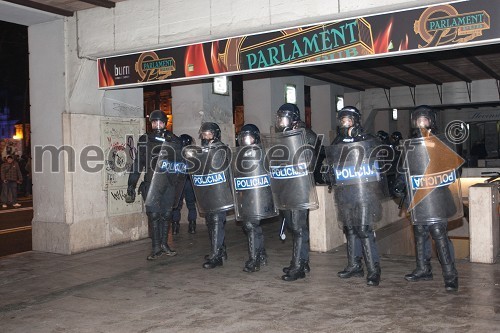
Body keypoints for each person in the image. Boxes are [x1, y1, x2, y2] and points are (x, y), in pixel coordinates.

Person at [393, 105, 459, 292]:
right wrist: (399, 184)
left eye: (425, 120)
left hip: (437, 195)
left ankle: (450, 275)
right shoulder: (410, 144)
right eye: (418, 120)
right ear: (414, 122)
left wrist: (443, 175)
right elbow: (403, 168)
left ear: (431, 121)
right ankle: (423, 269)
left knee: (439, 233)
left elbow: (455, 167)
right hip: (417, 196)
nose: (422, 123)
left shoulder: (442, 141)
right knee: (420, 232)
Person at [327, 106, 383, 286]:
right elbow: (332, 161)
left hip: (364, 192)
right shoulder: (337, 141)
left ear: (356, 121)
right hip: (345, 192)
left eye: (348, 119)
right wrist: (328, 171)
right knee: (350, 229)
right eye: (342, 120)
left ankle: (374, 270)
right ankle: (354, 265)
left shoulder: (368, 139)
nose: (345, 123)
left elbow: (379, 158)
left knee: (364, 230)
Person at [125, 110, 178, 260]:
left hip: (168, 182)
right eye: (154, 122)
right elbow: (138, 163)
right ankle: (155, 247)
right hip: (151, 181)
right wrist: (131, 184)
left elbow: (180, 162)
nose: (157, 125)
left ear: (165, 123)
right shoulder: (145, 139)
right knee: (153, 214)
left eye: (160, 122)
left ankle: (164, 244)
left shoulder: (173, 139)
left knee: (166, 214)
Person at [274, 103, 317, 281]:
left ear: (293, 118)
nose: (280, 121)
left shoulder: (305, 133)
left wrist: (299, 130)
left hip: (300, 187)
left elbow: (312, 144)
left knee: (298, 227)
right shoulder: (282, 136)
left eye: (283, 117)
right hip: (287, 186)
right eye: (279, 118)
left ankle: (298, 266)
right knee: (294, 226)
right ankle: (302, 261)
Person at [235, 124, 269, 272]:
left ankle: (254, 259)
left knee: (250, 225)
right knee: (251, 226)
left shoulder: (263, 152)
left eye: (249, 137)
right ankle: (261, 254)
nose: (246, 140)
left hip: (260, 194)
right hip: (246, 194)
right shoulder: (239, 154)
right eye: (243, 137)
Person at [198, 122, 229, 269]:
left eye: (208, 134)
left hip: (219, 192)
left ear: (215, 134)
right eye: (204, 134)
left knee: (217, 221)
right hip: (208, 192)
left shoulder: (222, 149)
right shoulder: (202, 150)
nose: (206, 136)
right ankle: (219, 250)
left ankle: (216, 256)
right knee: (211, 222)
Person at [171, 134, 197, 235]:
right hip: (189, 181)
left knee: (177, 205)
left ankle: (175, 227)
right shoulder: (192, 155)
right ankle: (192, 226)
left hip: (178, 182)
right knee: (191, 205)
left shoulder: (175, 154)